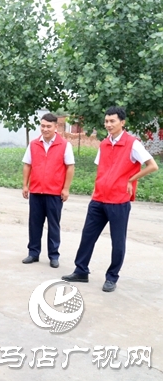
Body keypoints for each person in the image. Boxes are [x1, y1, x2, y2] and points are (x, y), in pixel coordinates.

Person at [62, 106, 158, 292]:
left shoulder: (133, 143)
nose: (108, 124)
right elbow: (102, 169)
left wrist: (131, 179)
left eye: (112, 121)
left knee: (118, 241)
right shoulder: (104, 143)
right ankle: (81, 270)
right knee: (88, 236)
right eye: (106, 121)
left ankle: (112, 277)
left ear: (122, 122)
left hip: (119, 201)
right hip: (99, 199)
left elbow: (153, 166)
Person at [21, 113, 75, 268]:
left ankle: (53, 255)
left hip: (54, 192)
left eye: (48, 126)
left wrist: (65, 188)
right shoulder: (33, 144)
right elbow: (27, 165)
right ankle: (33, 253)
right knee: (34, 223)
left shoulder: (64, 145)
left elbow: (70, 167)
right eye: (42, 126)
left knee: (53, 224)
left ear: (55, 127)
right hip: (36, 191)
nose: (45, 129)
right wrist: (25, 185)